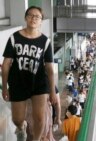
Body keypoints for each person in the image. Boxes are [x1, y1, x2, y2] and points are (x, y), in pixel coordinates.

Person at [1, 6, 57, 141]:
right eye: (30, 15)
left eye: (37, 16)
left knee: (39, 118)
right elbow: (6, 64)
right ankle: (21, 127)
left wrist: (52, 91)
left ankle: (36, 139)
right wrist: (4, 87)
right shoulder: (14, 38)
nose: (33, 18)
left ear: (41, 21)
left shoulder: (45, 41)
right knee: (17, 119)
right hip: (18, 82)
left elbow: (49, 68)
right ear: (26, 18)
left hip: (38, 83)